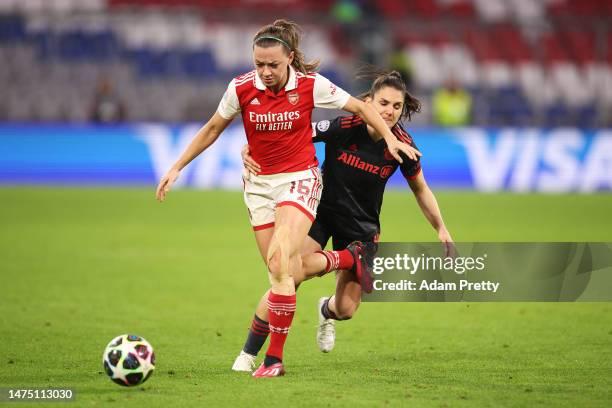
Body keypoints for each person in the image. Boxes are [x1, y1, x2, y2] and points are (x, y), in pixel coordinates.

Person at [155, 20, 420, 378]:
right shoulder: (241, 88)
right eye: (259, 64)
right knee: (280, 273)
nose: (264, 72)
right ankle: (342, 261)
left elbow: (361, 107)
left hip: (299, 180)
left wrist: (389, 139)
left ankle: (273, 361)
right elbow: (214, 127)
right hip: (259, 186)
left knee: (281, 262)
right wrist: (177, 166)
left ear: (290, 60)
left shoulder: (311, 86)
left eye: (272, 65)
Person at [233, 70, 452, 370]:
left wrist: (440, 227)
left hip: (361, 228)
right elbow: (292, 133)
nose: (389, 111)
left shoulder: (402, 146)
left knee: (346, 309)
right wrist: (253, 146)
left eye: (396, 106)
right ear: (368, 101)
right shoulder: (345, 126)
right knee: (287, 275)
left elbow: (421, 189)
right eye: (383, 103)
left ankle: (325, 309)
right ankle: (247, 355)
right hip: (321, 214)